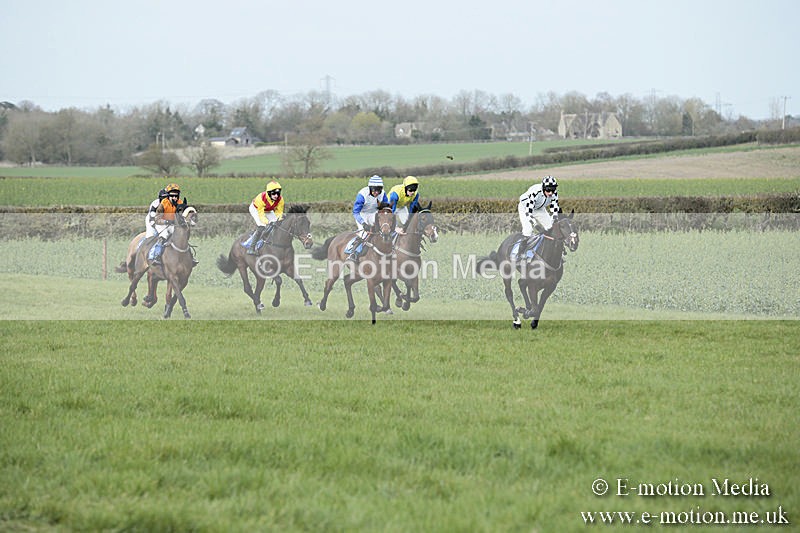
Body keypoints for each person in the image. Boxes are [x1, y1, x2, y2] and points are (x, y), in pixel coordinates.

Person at [517, 175, 561, 255]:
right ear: (544, 188)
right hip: (525, 208)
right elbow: (528, 212)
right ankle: (520, 254)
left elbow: (555, 208)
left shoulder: (554, 194)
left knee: (550, 227)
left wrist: (555, 218)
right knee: (528, 230)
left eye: (553, 190)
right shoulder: (535, 191)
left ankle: (551, 251)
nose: (550, 193)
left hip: (539, 209)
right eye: (548, 190)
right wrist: (536, 225)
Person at [349, 175, 388, 259]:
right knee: (363, 234)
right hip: (362, 214)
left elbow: (386, 208)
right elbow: (355, 212)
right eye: (374, 190)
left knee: (382, 230)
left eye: (379, 190)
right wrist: (363, 223)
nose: (376, 193)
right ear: (370, 188)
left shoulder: (383, 194)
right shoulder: (362, 195)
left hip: (374, 213)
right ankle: (353, 253)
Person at [147, 183, 186, 264]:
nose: (174, 198)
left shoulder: (180, 202)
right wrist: (166, 221)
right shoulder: (163, 204)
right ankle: (156, 256)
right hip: (162, 224)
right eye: (172, 196)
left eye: (176, 196)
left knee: (181, 235)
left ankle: (190, 256)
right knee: (164, 235)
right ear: (168, 196)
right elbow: (157, 219)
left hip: (173, 224)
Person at [244, 180, 284, 255]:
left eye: (278, 193)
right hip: (256, 209)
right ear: (268, 193)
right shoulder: (261, 198)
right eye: (274, 193)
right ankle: (251, 248)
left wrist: (280, 219)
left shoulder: (280, 199)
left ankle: (269, 241)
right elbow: (261, 215)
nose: (276, 196)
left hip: (268, 210)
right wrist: (268, 222)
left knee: (276, 224)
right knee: (262, 226)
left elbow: (279, 212)